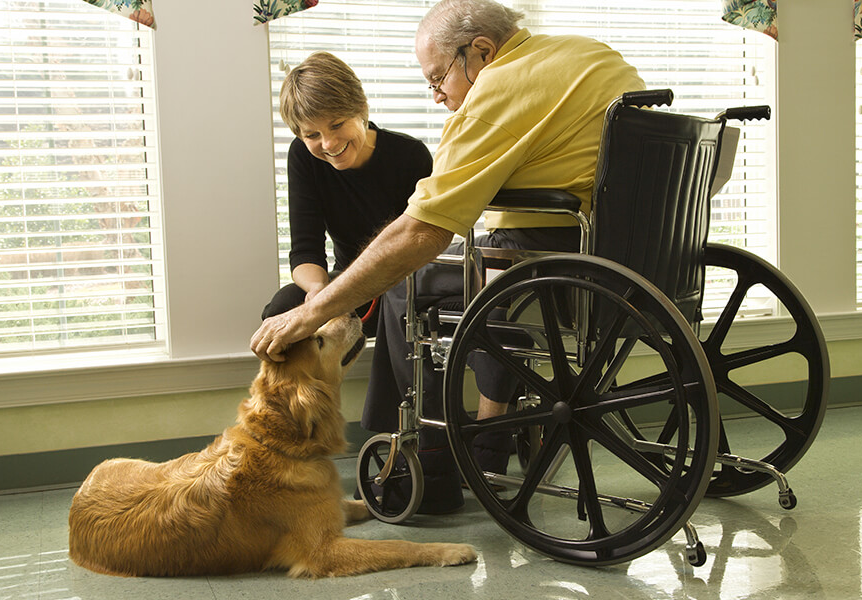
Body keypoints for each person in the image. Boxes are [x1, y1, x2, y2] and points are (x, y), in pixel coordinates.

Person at [251, 0, 645, 512]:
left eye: (439, 78)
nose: (438, 95)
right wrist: (316, 296)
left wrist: (316, 311)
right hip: (623, 261)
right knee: (425, 283)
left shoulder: (494, 94)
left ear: (479, 52)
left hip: (546, 259)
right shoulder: (593, 56)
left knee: (402, 287)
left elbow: (418, 236)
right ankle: (475, 440)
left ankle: (432, 460)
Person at [260, 51, 433, 334]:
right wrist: (319, 293)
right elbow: (305, 251)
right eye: (312, 135)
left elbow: (418, 248)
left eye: (337, 124)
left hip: (404, 287)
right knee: (282, 308)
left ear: (362, 108)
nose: (328, 143)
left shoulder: (410, 155)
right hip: (345, 288)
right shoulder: (303, 157)